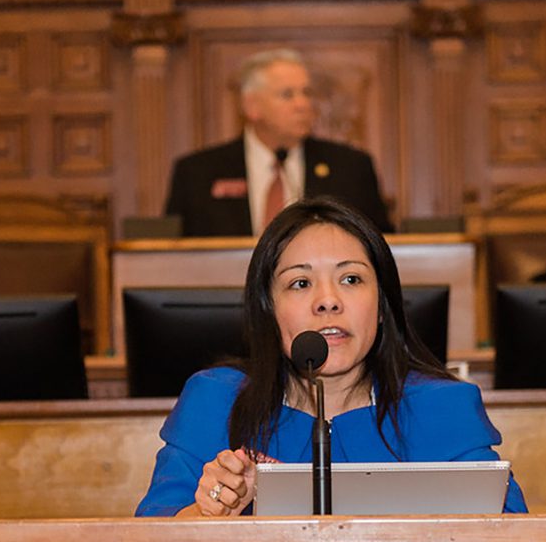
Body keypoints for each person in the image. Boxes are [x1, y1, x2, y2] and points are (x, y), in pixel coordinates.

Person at [135, 197, 526, 517]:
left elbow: (515, 541)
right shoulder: (216, 401)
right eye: (300, 283)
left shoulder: (443, 407)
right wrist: (210, 515)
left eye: (351, 279)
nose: (327, 301)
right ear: (269, 308)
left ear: (382, 301)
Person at [164, 49, 393, 237]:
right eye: (288, 95)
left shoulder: (352, 168)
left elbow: (380, 245)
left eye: (306, 93)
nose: (303, 104)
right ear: (252, 106)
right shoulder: (197, 173)